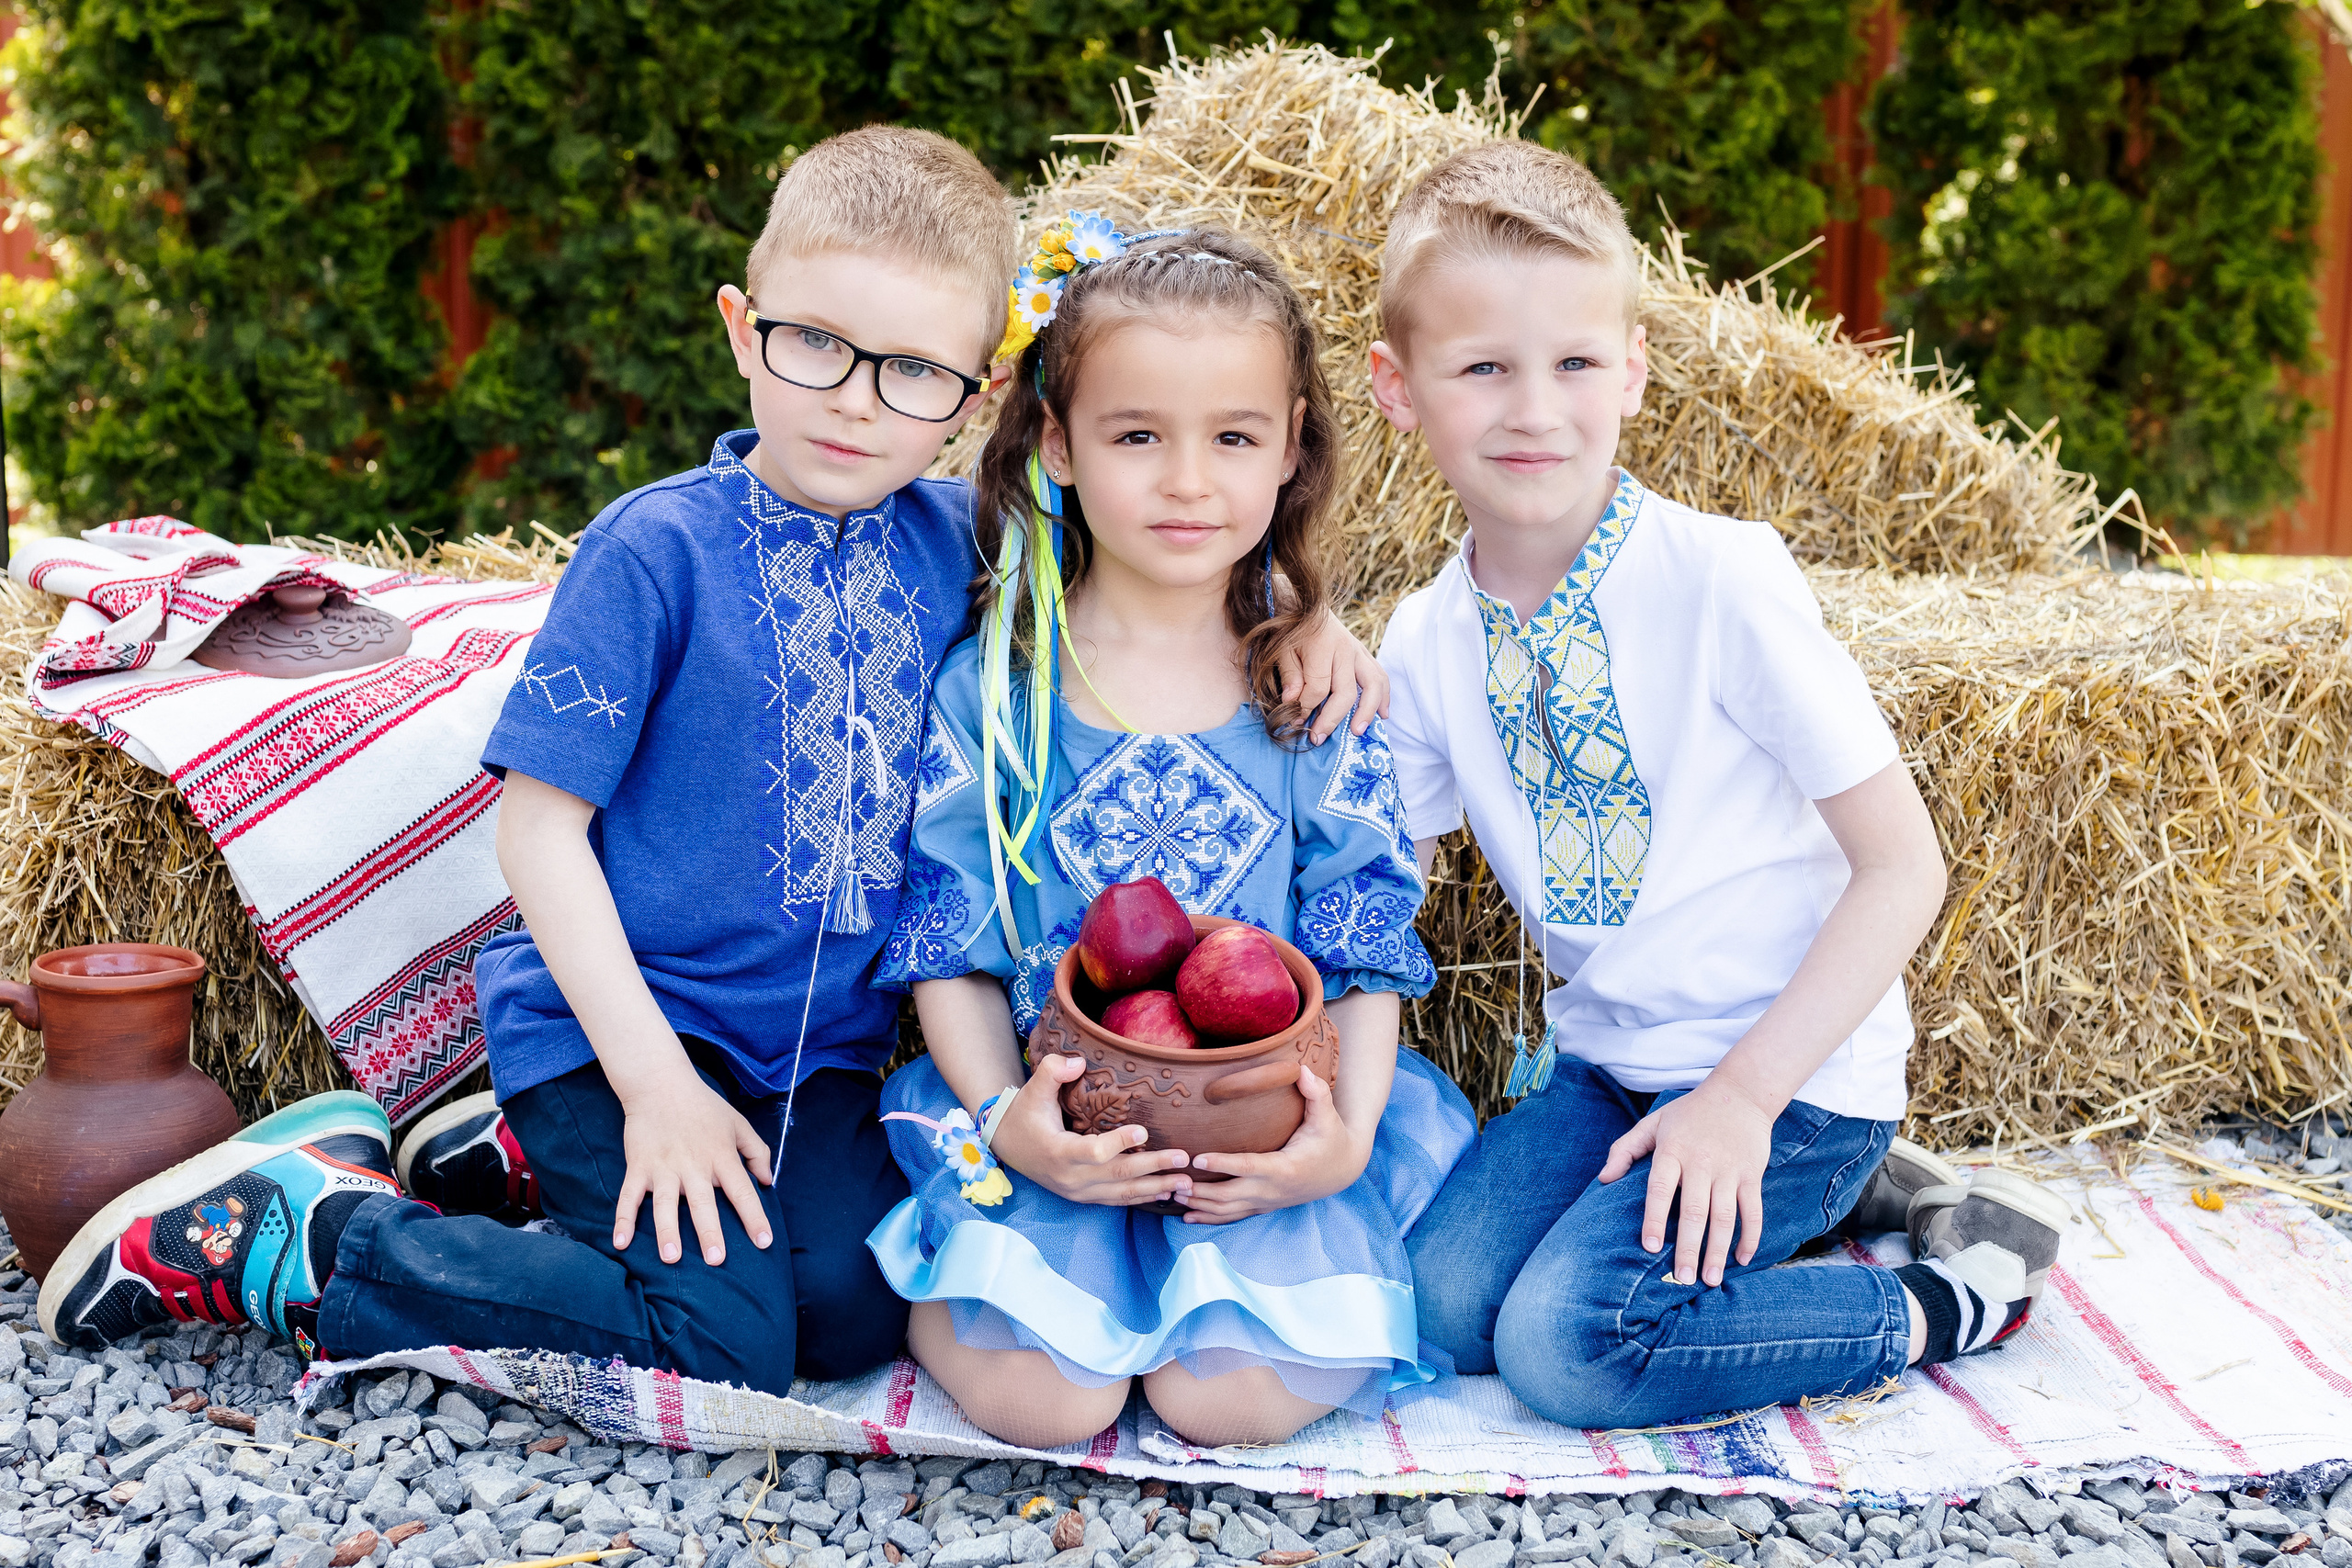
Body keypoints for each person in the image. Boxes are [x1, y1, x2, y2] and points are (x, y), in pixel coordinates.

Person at [39, 130, 1389, 1393]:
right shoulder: (653, 555)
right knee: (722, 1343)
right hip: (634, 1029)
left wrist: (1302, 606)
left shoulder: (964, 545)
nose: (858, 404)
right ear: (744, 329)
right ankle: (309, 1235)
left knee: (855, 1322)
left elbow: (1168, 528)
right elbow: (538, 834)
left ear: (976, 397)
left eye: (913, 371)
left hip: (821, 1062)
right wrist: (655, 1089)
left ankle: (514, 1166)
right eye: (817, 346)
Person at [1372, 141, 2068, 1429]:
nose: (1535, 408)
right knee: (1435, 1309)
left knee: (1568, 1348)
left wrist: (1742, 1100)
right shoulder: (1422, 639)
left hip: (1790, 1078)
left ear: (1631, 369)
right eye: (1482, 369)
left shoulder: (1720, 582)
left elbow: (1904, 867)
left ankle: (1949, 1291)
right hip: (1610, 1071)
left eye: (1576, 363)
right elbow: (1388, 882)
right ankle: (1851, 1197)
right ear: (1398, 389)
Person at [866, 220, 1476, 1450]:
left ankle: (1236, 1296)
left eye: (1234, 438)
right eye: (1138, 436)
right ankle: (966, 1297)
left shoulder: (1308, 689)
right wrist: (1007, 1126)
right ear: (1060, 444)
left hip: (1264, 1125)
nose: (1189, 481)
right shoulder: (995, 688)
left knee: (1230, 1404)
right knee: (1048, 1403)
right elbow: (951, 943)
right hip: (1054, 1114)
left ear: (1292, 448)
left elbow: (1362, 939)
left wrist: (1340, 1142)